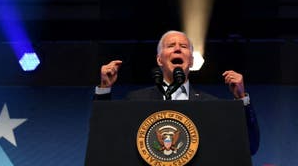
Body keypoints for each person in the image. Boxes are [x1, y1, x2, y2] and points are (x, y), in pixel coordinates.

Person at [94, 30, 260, 155]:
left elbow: (249, 147)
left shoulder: (210, 105)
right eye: (171, 46)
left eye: (184, 46)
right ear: (159, 59)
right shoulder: (136, 100)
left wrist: (241, 100)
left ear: (192, 60)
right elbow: (104, 141)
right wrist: (104, 89)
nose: (178, 49)